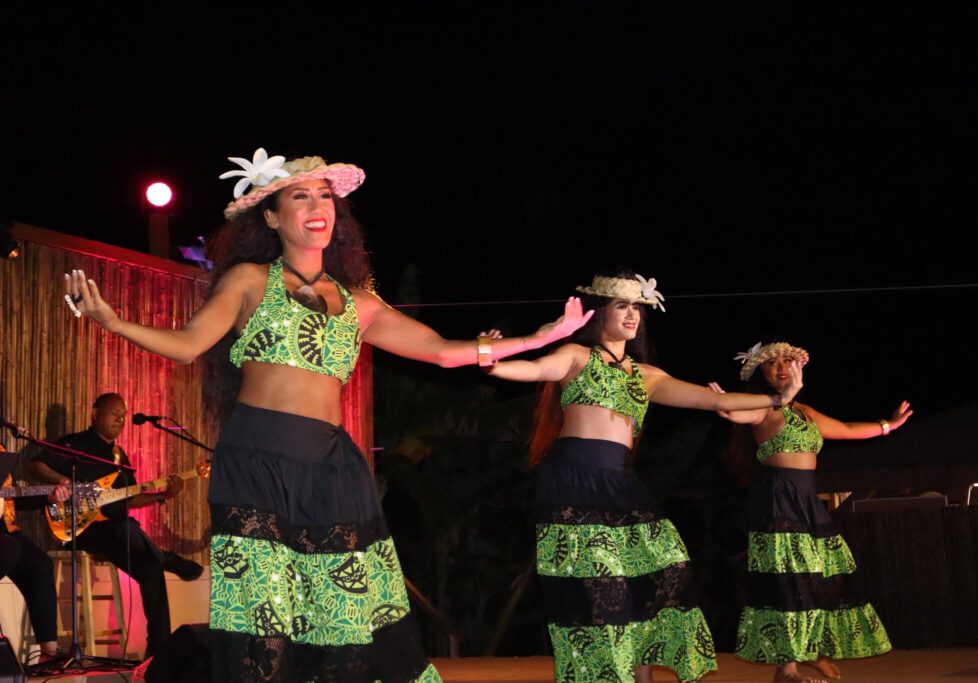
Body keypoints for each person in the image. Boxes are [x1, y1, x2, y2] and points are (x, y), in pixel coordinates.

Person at [60, 148, 590, 682]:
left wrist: (539, 338)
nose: (318, 205)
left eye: (325, 195)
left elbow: (442, 351)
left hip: (332, 468)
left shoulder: (360, 302)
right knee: (263, 611)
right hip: (258, 460)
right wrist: (112, 320)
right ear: (271, 216)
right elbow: (188, 344)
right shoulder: (250, 280)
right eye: (300, 195)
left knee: (343, 607)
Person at [482, 271, 803, 683]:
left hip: (620, 481)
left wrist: (778, 398)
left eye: (638, 307)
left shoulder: (646, 375)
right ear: (600, 313)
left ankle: (641, 672)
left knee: (663, 567)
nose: (632, 314)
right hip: (575, 479)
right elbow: (534, 368)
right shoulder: (577, 357)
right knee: (600, 586)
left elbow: (711, 399)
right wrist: (491, 360)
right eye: (622, 305)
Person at [710, 341, 910, 683]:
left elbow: (845, 430)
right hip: (779, 501)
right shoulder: (762, 407)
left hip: (807, 502)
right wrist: (721, 404)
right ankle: (787, 670)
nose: (782, 367)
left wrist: (888, 425)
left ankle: (810, 648)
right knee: (789, 579)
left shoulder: (804, 411)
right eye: (772, 363)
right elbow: (734, 413)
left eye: (788, 361)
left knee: (822, 576)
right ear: (759, 372)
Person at [28, 392, 202, 658]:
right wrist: (64, 482)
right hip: (80, 529)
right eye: (114, 413)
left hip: (118, 533)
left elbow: (128, 500)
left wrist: (162, 496)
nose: (120, 419)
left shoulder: (120, 458)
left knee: (150, 566)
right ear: (95, 414)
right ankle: (168, 559)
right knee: (133, 535)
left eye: (123, 416)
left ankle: (158, 651)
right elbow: (36, 464)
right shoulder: (73, 444)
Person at [0, 444, 68, 667]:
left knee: (38, 564)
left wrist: (47, 497)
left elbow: (11, 496)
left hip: (4, 529)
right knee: (9, 549)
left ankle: (49, 653)